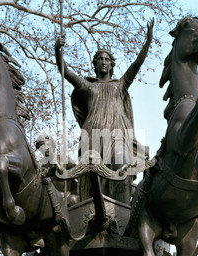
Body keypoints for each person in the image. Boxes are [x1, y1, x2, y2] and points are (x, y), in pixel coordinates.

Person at [55, 18, 154, 204]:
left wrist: (148, 42)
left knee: (122, 164)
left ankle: (122, 209)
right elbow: (64, 70)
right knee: (92, 175)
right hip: (93, 133)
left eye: (107, 59)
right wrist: (57, 49)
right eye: (100, 59)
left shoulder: (120, 84)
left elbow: (136, 65)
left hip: (118, 133)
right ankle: (93, 211)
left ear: (111, 65)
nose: (103, 62)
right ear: (95, 63)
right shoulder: (87, 86)